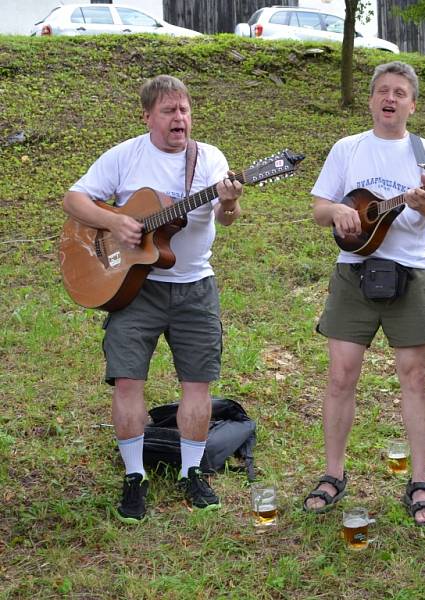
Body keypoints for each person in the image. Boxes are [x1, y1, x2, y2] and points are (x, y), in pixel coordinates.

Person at [62, 75, 243, 523]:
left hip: (195, 287)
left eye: (183, 110)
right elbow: (73, 198)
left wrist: (232, 202)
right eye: (168, 111)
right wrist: (115, 222)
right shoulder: (125, 156)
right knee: (128, 381)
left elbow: (230, 217)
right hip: (135, 288)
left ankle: (191, 471)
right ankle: (134, 476)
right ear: (148, 117)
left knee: (197, 383)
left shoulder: (210, 159)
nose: (179, 118)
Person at [305, 61, 425, 526]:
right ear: (371, 99)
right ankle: (333, 474)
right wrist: (338, 214)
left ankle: (421, 480)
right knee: (340, 375)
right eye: (382, 91)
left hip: (411, 273)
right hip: (354, 270)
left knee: (415, 376)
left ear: (413, 104)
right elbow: (318, 208)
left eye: (400, 93)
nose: (390, 99)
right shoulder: (348, 148)